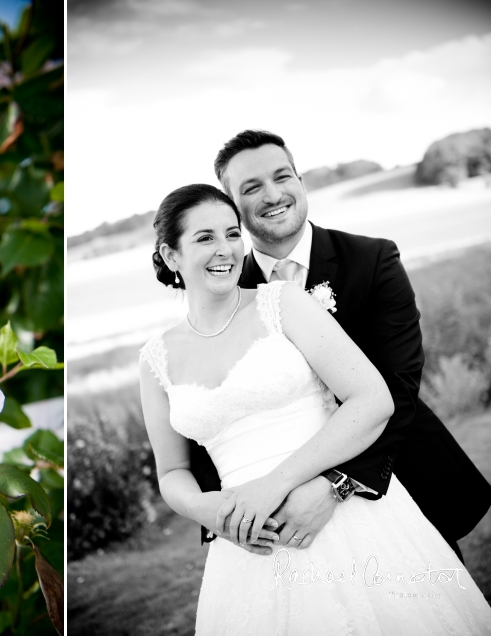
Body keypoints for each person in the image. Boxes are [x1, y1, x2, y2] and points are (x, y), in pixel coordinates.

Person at [138, 182, 491, 633]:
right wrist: (207, 510)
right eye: (204, 238)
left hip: (346, 514)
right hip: (245, 541)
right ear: (171, 256)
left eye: (232, 233)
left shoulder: (283, 303)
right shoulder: (155, 359)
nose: (225, 249)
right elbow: (172, 473)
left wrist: (278, 484)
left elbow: (373, 399)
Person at [188, 130, 491, 559]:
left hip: (393, 474)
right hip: (280, 513)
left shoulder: (372, 260)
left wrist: (335, 484)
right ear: (231, 206)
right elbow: (214, 403)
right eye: (251, 187)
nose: (273, 195)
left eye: (282, 176)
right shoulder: (229, 292)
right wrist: (225, 512)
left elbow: (399, 389)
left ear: (300, 179)